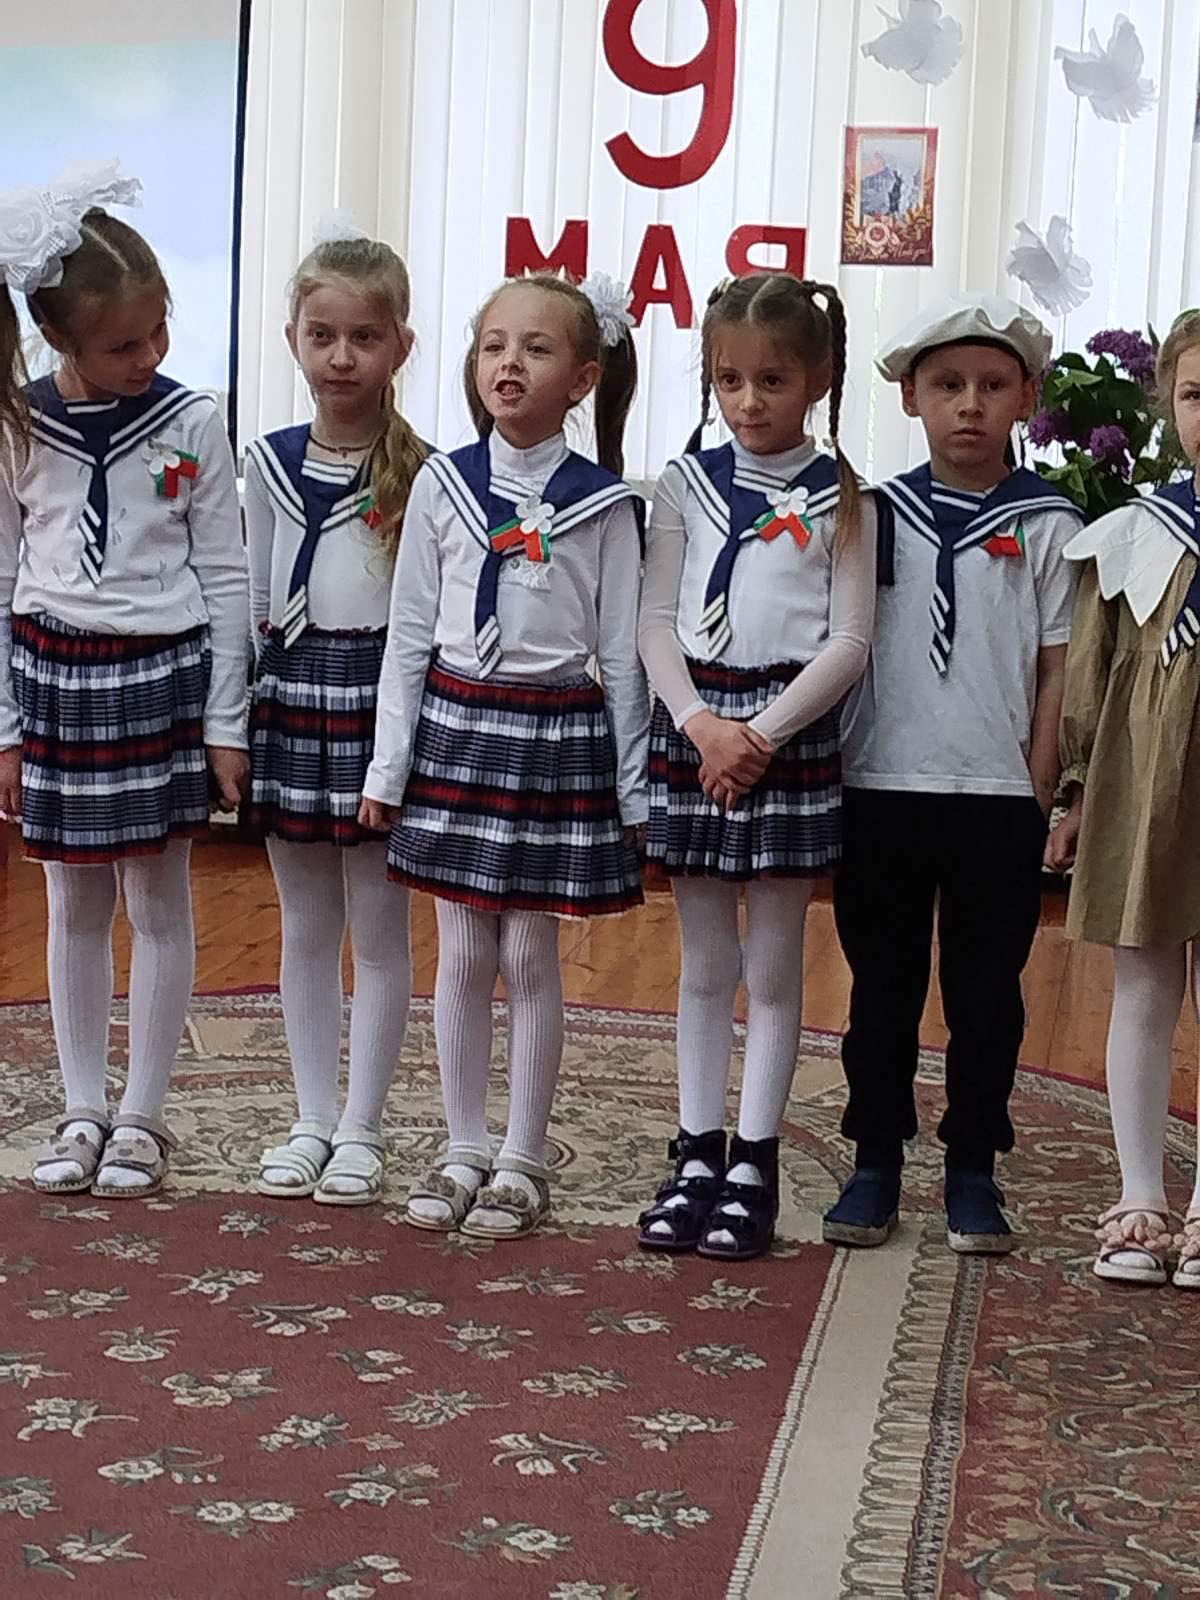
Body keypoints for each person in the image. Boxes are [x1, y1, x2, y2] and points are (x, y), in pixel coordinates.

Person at [360, 270, 647, 1239]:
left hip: (553, 734)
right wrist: (387, 768)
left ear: (583, 378)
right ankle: (462, 1146)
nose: (509, 363)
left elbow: (621, 655)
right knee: (462, 949)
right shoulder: (442, 485)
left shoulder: (602, 505)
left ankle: (523, 1156)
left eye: (536, 347)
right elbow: (408, 635)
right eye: (494, 346)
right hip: (458, 729)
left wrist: (634, 790)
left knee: (527, 950)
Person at [0, 162, 249, 1197]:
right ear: (58, 338)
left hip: (160, 681)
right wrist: (4, 728)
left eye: (158, 333)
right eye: (121, 346)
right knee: (72, 905)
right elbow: (0, 575)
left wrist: (226, 721)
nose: (148, 357)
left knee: (158, 900)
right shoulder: (17, 424)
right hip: (56, 682)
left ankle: (142, 1114)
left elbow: (227, 573)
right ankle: (81, 1108)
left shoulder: (192, 421)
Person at [825, 294, 1082, 1254]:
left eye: (990, 386)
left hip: (995, 798)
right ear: (910, 398)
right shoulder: (872, 513)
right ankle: (875, 1159)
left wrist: (1039, 788)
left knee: (987, 996)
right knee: (880, 989)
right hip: (882, 786)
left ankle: (974, 1163)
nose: (969, 404)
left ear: (1026, 398)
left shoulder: (1049, 524)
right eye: (946, 386)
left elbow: (1057, 666)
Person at [636, 272, 875, 1262]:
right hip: (698, 731)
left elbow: (850, 639)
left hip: (786, 735)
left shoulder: (845, 495)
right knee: (704, 965)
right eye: (728, 380)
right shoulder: (683, 485)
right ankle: (697, 1150)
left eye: (771, 379)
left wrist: (760, 735)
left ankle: (755, 1162)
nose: (748, 401)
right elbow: (655, 620)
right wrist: (702, 724)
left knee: (773, 966)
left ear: (817, 379)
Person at [244, 225, 426, 1205]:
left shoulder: (427, 472)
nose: (342, 357)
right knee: (307, 923)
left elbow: (423, 621)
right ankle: (312, 1115)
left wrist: (399, 749)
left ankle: (364, 1126)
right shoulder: (270, 463)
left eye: (364, 337)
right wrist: (235, 722)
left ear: (401, 345)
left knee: (380, 929)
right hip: (293, 701)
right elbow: (252, 599)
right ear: (293, 340)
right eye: (323, 335)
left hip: (381, 706)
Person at [1046, 309, 1200, 1289]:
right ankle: (1141, 1195)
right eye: (1195, 394)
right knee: (1143, 982)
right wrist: (1071, 791)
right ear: (1167, 403)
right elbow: (1093, 674)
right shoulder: (1137, 533)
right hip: (1149, 779)